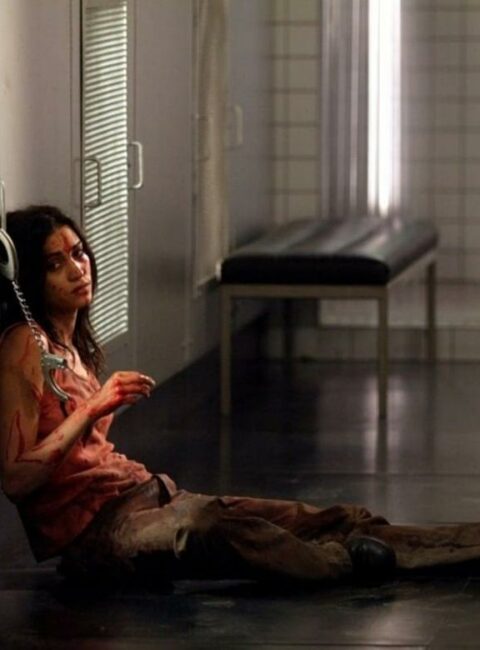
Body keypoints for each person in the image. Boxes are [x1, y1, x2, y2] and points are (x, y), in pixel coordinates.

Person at [1, 205, 480, 587]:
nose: (77, 270)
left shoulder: (70, 344)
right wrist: (92, 408)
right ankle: (342, 562)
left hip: (144, 494)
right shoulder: (25, 346)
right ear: (30, 278)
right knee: (212, 527)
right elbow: (16, 479)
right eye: (55, 264)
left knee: (321, 518)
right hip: (99, 535)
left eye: (78, 253)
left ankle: (459, 545)